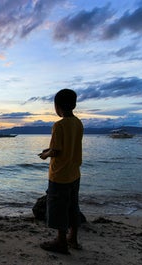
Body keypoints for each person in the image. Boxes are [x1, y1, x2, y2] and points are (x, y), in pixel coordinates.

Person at [38, 88, 83, 255]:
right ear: (73, 105)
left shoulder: (59, 125)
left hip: (59, 175)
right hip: (74, 173)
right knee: (73, 206)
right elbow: (68, 145)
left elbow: (55, 152)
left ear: (57, 106)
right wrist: (51, 149)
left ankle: (61, 242)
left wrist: (45, 154)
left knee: (58, 208)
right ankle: (73, 238)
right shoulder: (78, 123)